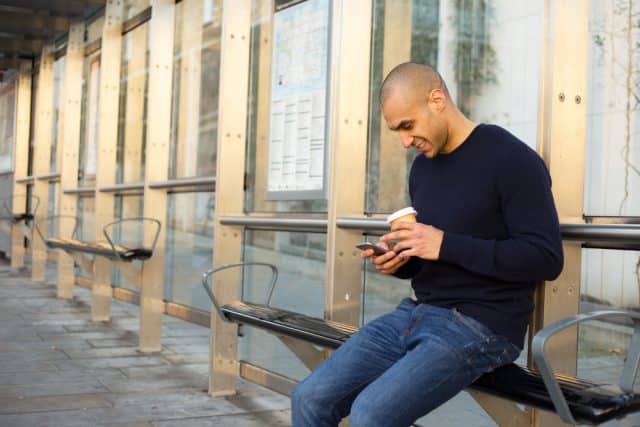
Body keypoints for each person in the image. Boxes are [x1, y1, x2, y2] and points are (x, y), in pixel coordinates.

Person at [291, 62, 564, 426]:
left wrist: (444, 244)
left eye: (408, 125)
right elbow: (433, 255)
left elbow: (545, 258)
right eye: (396, 131)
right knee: (308, 397)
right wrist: (402, 261)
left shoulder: (511, 159)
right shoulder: (423, 168)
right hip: (417, 314)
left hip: (483, 325)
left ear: (437, 100)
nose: (405, 141)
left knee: (370, 415)